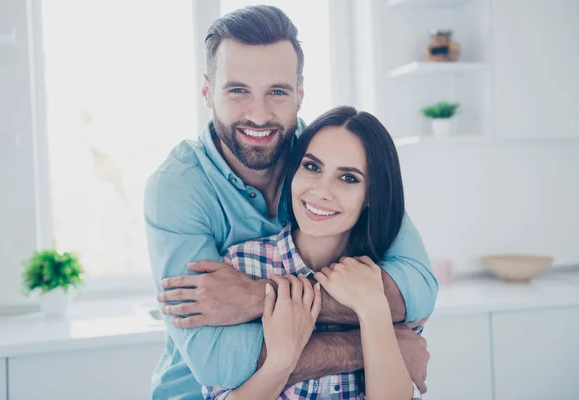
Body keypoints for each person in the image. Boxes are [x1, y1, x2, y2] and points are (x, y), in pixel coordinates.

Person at [145, 5, 437, 400]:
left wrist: (255, 296)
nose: (260, 115)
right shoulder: (178, 189)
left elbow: (414, 294)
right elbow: (219, 361)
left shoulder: (327, 151)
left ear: (300, 93)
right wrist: (375, 343)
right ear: (206, 91)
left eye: (278, 92)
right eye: (238, 90)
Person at [203, 106, 423, 399]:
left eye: (348, 178)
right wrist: (281, 361)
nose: (321, 190)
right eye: (312, 167)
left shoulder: (387, 284)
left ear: (371, 194)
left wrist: (373, 310)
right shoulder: (241, 264)